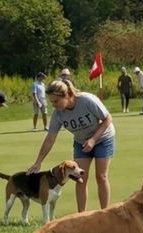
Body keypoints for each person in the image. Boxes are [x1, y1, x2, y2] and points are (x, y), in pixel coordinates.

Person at [27, 79, 115, 211]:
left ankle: (106, 214)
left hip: (103, 138)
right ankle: (81, 217)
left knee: (101, 176)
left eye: (56, 101)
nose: (54, 105)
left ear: (67, 95)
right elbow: (50, 138)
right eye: (51, 102)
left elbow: (108, 119)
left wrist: (93, 139)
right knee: (80, 178)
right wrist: (38, 162)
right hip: (81, 142)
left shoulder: (87, 100)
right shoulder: (58, 114)